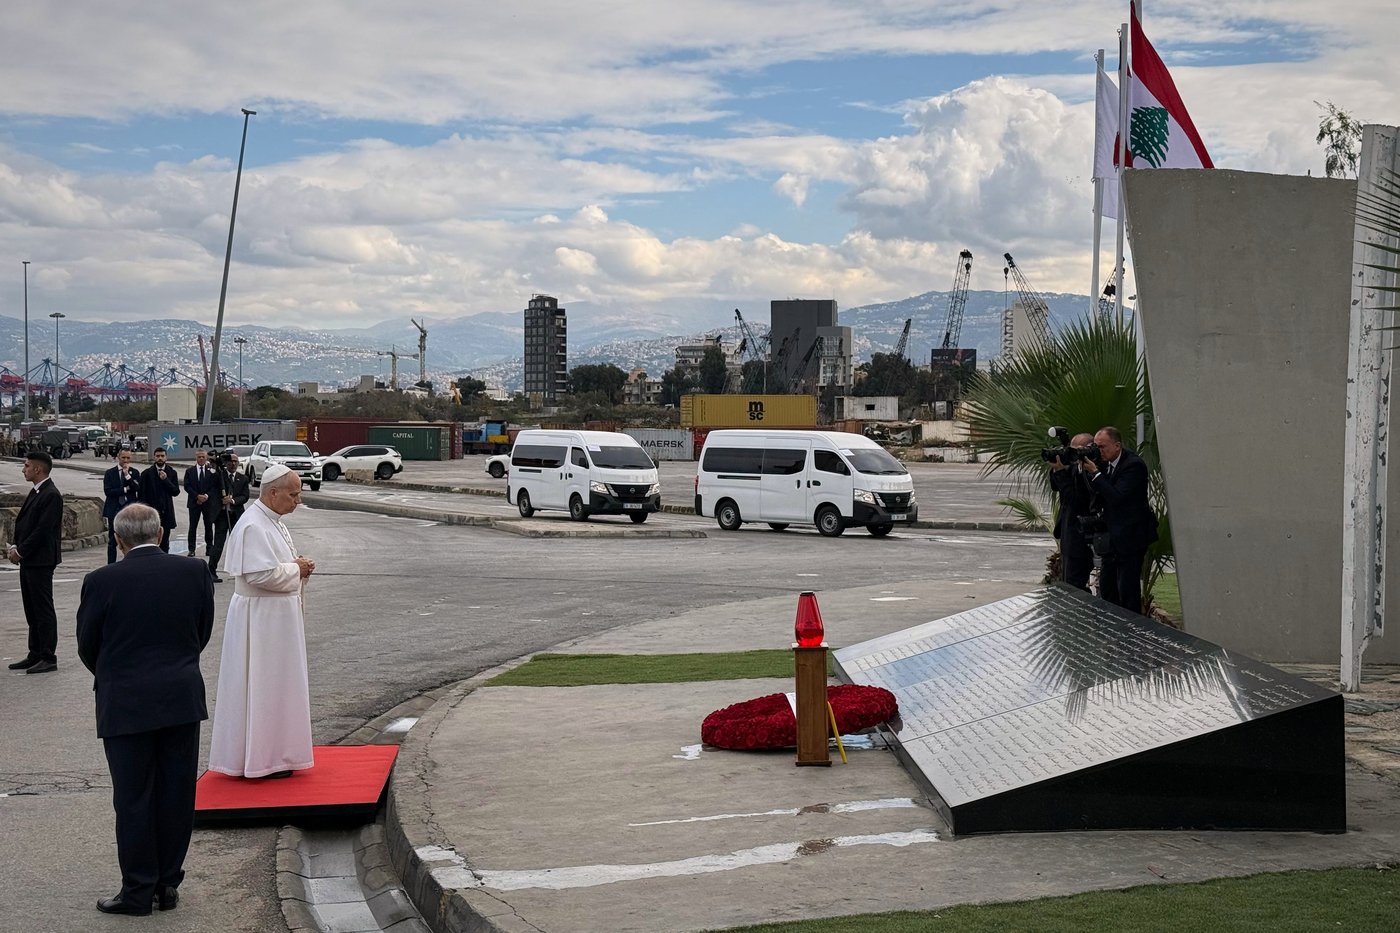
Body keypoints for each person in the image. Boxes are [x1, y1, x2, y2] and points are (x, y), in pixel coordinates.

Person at [76, 504, 214, 916]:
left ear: (118, 541)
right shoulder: (194, 572)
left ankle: (137, 890)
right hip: (180, 696)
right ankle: (167, 884)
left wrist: (117, 672)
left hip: (125, 703)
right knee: (176, 793)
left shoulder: (101, 580)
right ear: (160, 534)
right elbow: (200, 633)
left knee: (134, 798)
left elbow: (88, 645)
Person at [208, 465, 317, 779]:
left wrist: (297, 566)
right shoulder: (254, 525)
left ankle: (276, 754)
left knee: (277, 687)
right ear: (273, 493)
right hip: (262, 622)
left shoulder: (272, 520)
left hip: (274, 619)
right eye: (293, 494)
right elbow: (258, 574)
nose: (297, 500)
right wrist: (297, 569)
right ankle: (263, 759)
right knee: (263, 687)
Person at [1080, 426, 1159, 615]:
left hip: (1132, 537)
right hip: (1112, 538)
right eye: (1096, 447)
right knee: (1107, 587)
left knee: (1127, 589)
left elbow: (1117, 497)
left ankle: (1132, 631)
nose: (1099, 451)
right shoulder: (1105, 464)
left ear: (1117, 445)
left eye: (1102, 447)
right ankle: (1112, 628)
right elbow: (1096, 495)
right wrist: (1089, 471)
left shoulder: (1133, 465)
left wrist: (1096, 474)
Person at [7, 451, 63, 674]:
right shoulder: (37, 491)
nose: (24, 469)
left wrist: (20, 552)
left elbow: (42, 530)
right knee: (31, 608)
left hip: (40, 560)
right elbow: (27, 524)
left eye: (27, 465)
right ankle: (35, 653)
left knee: (42, 609)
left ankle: (48, 656)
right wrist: (15, 546)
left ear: (38, 469)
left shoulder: (51, 494)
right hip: (30, 560)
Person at [1049, 432, 1096, 592]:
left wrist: (1062, 473)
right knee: (1068, 582)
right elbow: (1056, 486)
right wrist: (1058, 468)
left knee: (1074, 585)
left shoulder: (1090, 472)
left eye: (1076, 451)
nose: (1072, 454)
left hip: (1081, 535)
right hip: (1068, 534)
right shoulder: (1074, 468)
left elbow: (1074, 500)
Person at [102, 450, 142, 564]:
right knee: (112, 539)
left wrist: (127, 475)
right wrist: (124, 490)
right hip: (114, 509)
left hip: (129, 509)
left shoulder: (134, 472)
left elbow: (136, 488)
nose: (125, 461)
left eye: (128, 458)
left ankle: (131, 562)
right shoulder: (110, 473)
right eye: (123, 458)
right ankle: (111, 564)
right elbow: (108, 491)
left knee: (131, 538)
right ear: (118, 458)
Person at [139, 449, 181, 553]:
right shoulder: (146, 473)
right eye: (158, 456)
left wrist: (166, 480)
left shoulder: (172, 472)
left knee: (165, 541)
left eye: (162, 456)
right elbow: (141, 495)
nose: (160, 458)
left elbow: (175, 492)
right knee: (150, 540)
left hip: (166, 512)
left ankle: (164, 562)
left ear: (166, 457)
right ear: (154, 457)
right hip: (151, 512)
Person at [183, 450, 217, 558]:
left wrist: (206, 496)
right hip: (194, 503)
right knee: (193, 526)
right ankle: (191, 549)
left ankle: (209, 549)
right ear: (196, 458)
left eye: (203, 457)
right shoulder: (190, 471)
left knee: (208, 526)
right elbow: (187, 486)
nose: (201, 459)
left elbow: (214, 486)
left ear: (206, 458)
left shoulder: (211, 471)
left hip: (208, 503)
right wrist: (197, 496)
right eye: (199, 457)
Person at [222, 451, 252, 527]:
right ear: (226, 463)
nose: (233, 464)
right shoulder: (220, 476)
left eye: (235, 461)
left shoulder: (243, 478)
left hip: (237, 513)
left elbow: (245, 496)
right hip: (222, 514)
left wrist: (232, 501)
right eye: (231, 461)